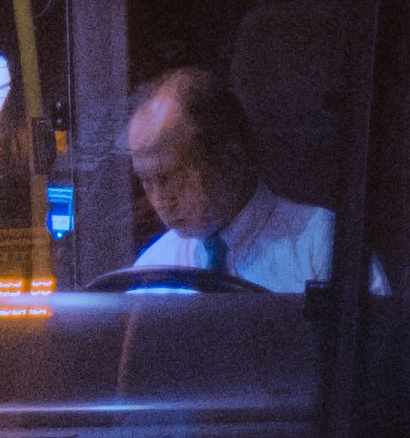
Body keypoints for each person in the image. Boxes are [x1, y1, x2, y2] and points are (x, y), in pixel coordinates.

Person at [117, 64, 332, 294]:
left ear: (230, 158)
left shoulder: (320, 244)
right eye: (146, 181)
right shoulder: (153, 270)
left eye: (171, 177)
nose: (159, 200)